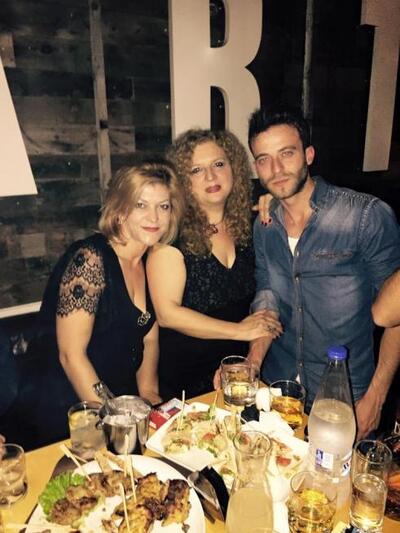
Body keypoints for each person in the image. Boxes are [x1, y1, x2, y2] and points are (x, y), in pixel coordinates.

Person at [246, 105, 400, 438]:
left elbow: (397, 317)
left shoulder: (365, 217)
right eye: (263, 159)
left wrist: (376, 398)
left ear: (309, 155)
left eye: (287, 153)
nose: (276, 169)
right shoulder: (264, 226)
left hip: (343, 395)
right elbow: (267, 294)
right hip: (278, 389)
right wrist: (252, 363)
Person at [22, 159, 183, 446]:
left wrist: (150, 397)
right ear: (120, 210)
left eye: (164, 206)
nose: (154, 216)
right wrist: (116, 421)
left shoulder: (152, 261)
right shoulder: (90, 259)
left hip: (120, 406)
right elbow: (71, 355)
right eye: (141, 205)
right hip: (69, 411)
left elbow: (149, 339)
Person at [147, 129, 282, 400]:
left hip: (238, 371)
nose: (211, 176)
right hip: (186, 380)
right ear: (183, 182)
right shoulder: (171, 235)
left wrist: (276, 200)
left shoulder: (252, 224)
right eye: (196, 170)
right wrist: (240, 330)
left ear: (234, 168)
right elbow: (167, 314)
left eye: (218, 164)